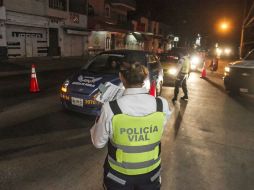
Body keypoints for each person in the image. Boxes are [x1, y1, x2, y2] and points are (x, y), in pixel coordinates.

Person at [90, 62, 171, 190]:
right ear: (145, 78)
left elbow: (98, 142)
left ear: (121, 77)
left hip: (118, 177)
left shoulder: (110, 108)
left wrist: (101, 113)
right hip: (151, 174)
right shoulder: (162, 104)